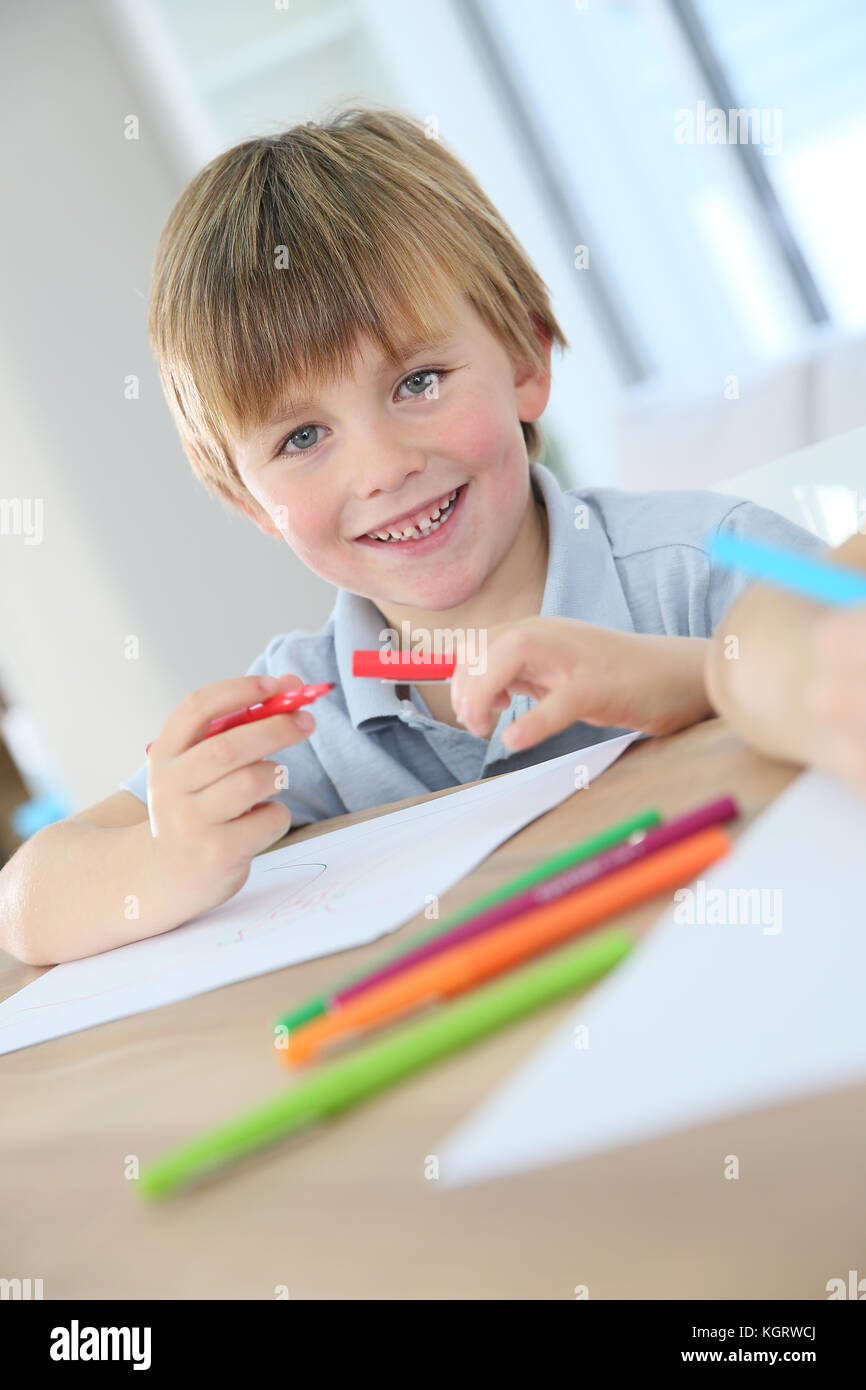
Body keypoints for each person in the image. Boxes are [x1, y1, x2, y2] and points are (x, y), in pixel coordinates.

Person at [0, 107, 823, 965]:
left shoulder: (696, 569)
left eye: (419, 381)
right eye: (302, 439)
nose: (383, 468)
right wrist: (161, 859)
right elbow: (23, 905)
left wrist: (687, 679)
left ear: (526, 360)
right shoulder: (303, 711)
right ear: (250, 502)